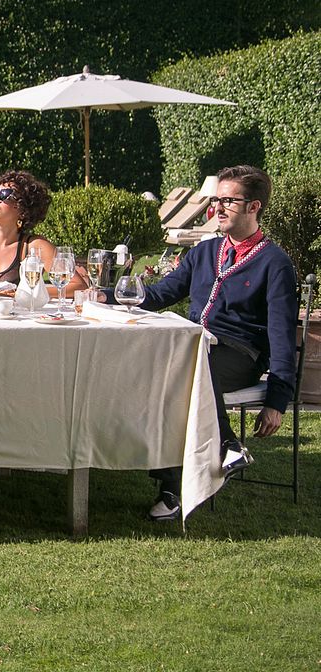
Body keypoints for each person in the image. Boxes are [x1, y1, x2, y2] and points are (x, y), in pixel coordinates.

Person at [134, 165, 297, 521]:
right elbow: (161, 294)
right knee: (164, 372)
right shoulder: (204, 252)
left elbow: (283, 336)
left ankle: (176, 488)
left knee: (182, 372)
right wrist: (110, 296)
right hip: (196, 348)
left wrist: (277, 401)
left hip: (241, 353)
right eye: (215, 201)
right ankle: (224, 451)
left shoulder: (275, 264)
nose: (217, 209)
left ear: (254, 207)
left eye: (228, 201)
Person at [0, 170, 84, 295]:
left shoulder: (35, 247)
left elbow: (78, 285)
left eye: (5, 194)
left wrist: (27, 294)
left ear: (23, 210)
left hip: (18, 319)